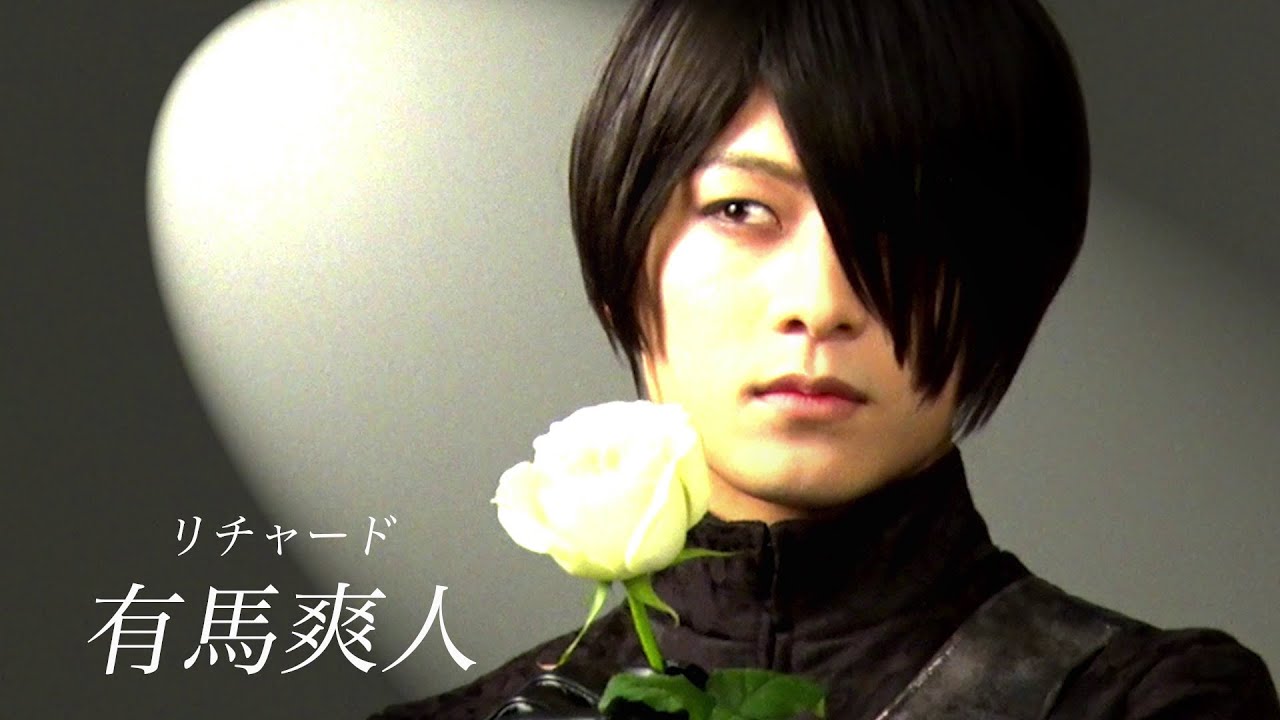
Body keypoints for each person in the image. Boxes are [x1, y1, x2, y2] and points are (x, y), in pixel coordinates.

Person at [371, 1, 1280, 718]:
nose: (819, 301)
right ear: (623, 254)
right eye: (740, 210)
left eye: (902, 226)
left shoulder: (1150, 703)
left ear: (1003, 281)